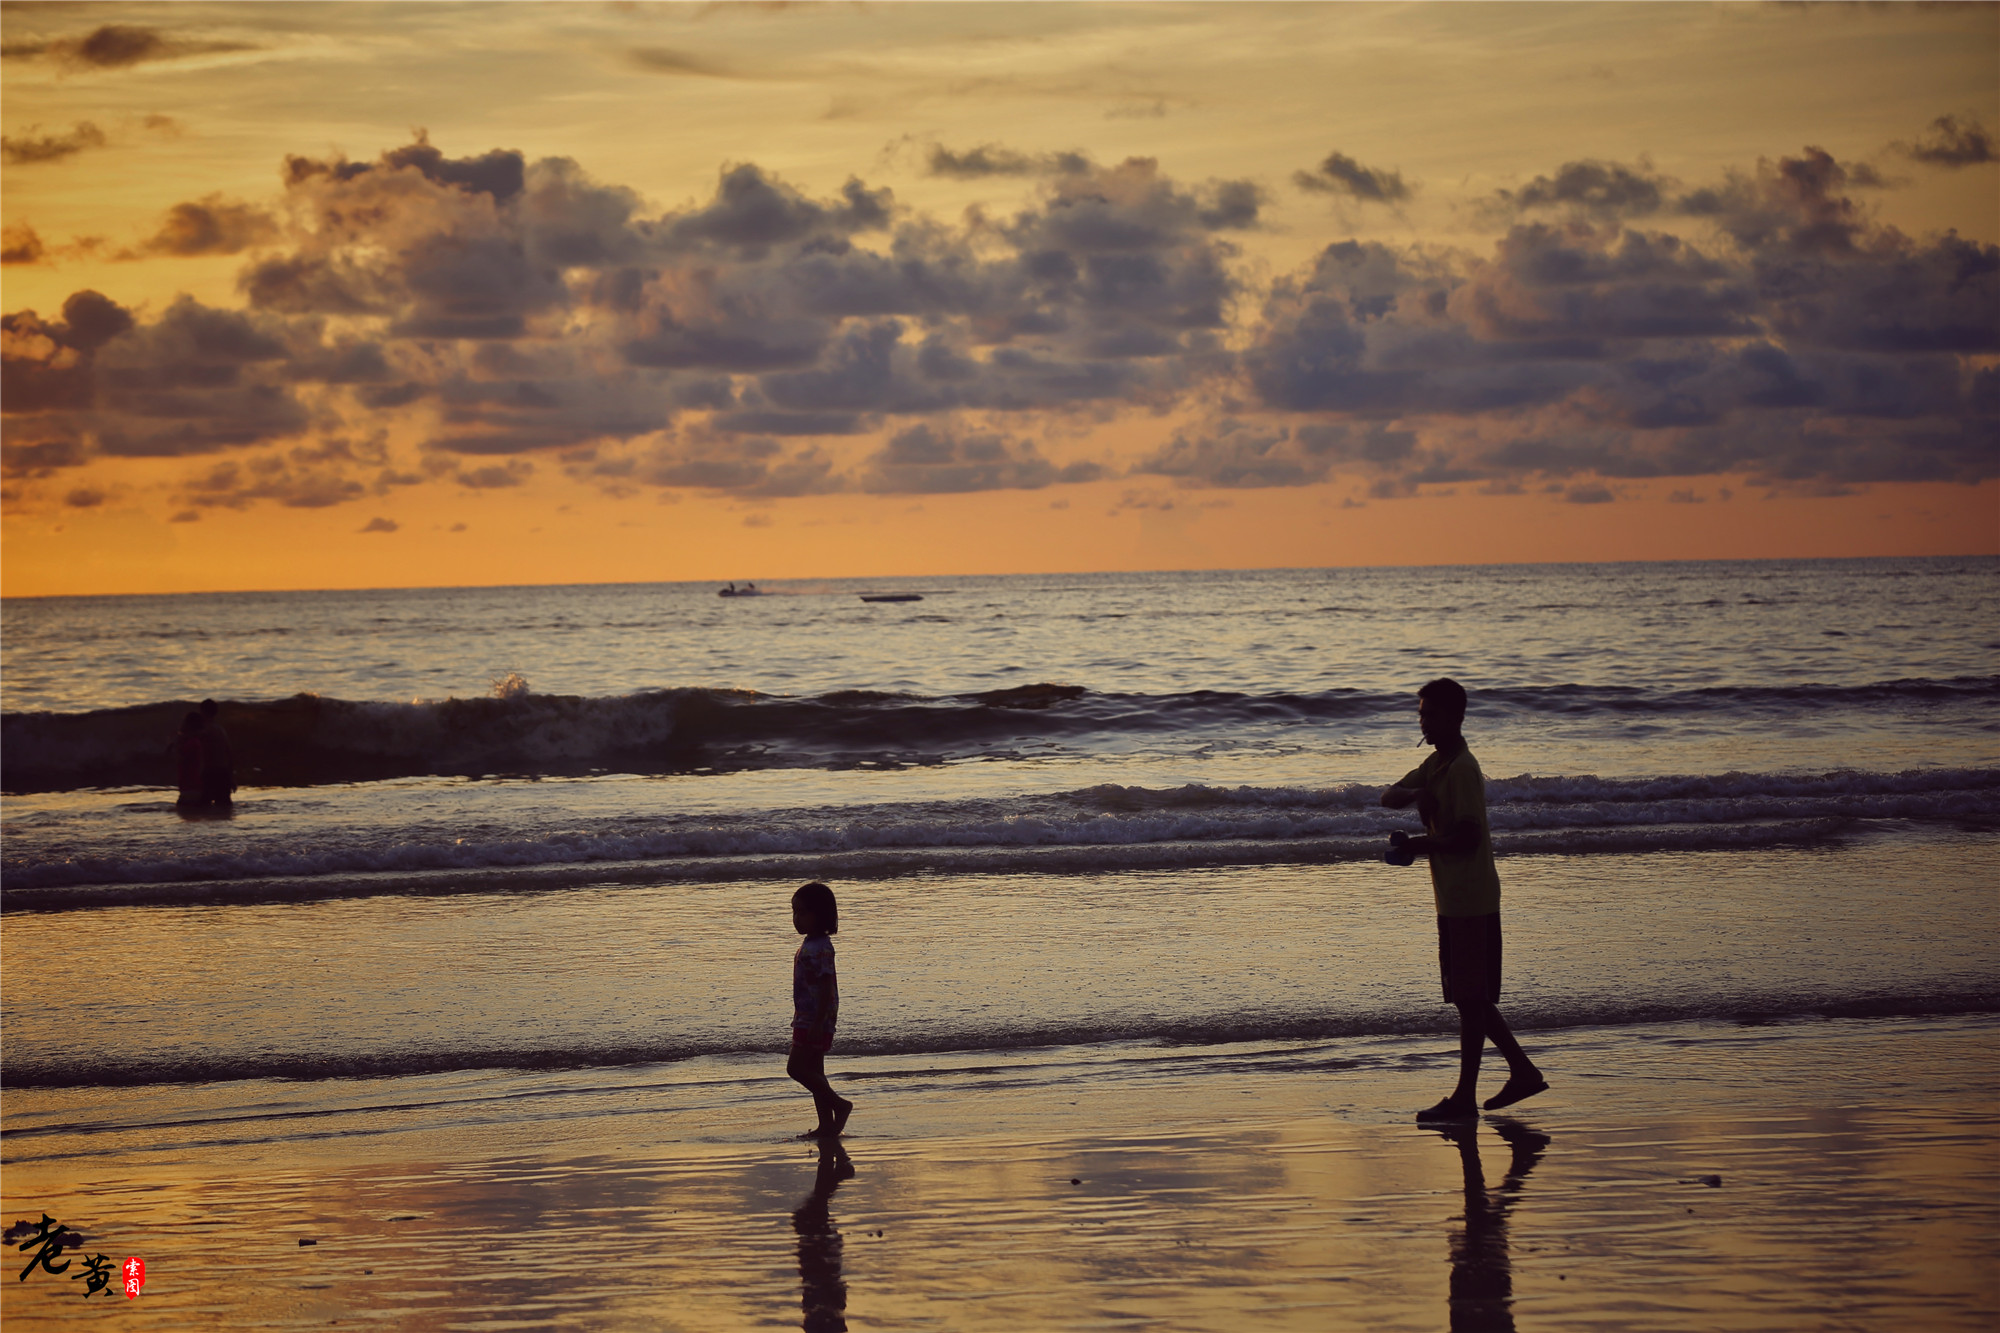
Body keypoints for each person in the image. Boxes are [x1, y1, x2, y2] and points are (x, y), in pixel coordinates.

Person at [1382, 678, 1548, 1121]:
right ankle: (1519, 1073)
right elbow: (1387, 796)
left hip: (1472, 898)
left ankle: (1470, 1096)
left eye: (1432, 714)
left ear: (1456, 718)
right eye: (1421, 714)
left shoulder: (1462, 769)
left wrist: (1418, 846)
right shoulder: (1436, 766)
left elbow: (1468, 835)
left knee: (1471, 1000)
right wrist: (1417, 794)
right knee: (1469, 998)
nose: (1424, 721)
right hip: (1453, 900)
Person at [788, 881, 854, 1139]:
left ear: (821, 914)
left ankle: (839, 1104)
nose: (796, 918)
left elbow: (827, 988)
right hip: (807, 1017)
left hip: (815, 1019)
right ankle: (826, 1124)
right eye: (794, 912)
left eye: (803, 912)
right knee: (815, 1072)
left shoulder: (820, 948)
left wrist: (817, 1021)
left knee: (796, 1069)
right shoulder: (812, 943)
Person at [198, 699, 235, 808]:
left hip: (210, 772)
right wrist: (231, 776)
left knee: (204, 807)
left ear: (203, 712)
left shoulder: (205, 730)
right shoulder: (221, 730)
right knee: (224, 807)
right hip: (223, 772)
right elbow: (230, 753)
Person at [166, 711, 206, 810]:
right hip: (190, 788)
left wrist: (175, 745)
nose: (181, 724)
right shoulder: (192, 742)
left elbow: (180, 759)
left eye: (184, 722)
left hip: (191, 789)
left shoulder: (192, 743)